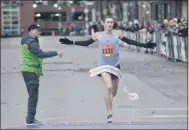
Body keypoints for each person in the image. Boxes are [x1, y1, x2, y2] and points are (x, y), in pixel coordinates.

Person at [59, 15, 156, 123]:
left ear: (113, 24)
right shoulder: (98, 35)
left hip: (115, 66)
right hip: (103, 66)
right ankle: (109, 114)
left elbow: (129, 42)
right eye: (108, 22)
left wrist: (144, 45)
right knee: (108, 86)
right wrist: (72, 42)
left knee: (113, 93)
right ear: (103, 23)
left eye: (111, 22)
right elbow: (86, 43)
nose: (110, 24)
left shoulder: (117, 34)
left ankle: (109, 100)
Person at [21, 24, 62, 125]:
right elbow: (40, 54)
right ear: (31, 31)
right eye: (37, 30)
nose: (39, 32)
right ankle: (30, 120)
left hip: (29, 70)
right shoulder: (31, 42)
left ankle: (30, 118)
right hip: (31, 71)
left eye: (40, 31)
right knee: (33, 97)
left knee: (32, 96)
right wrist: (55, 53)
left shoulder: (27, 39)